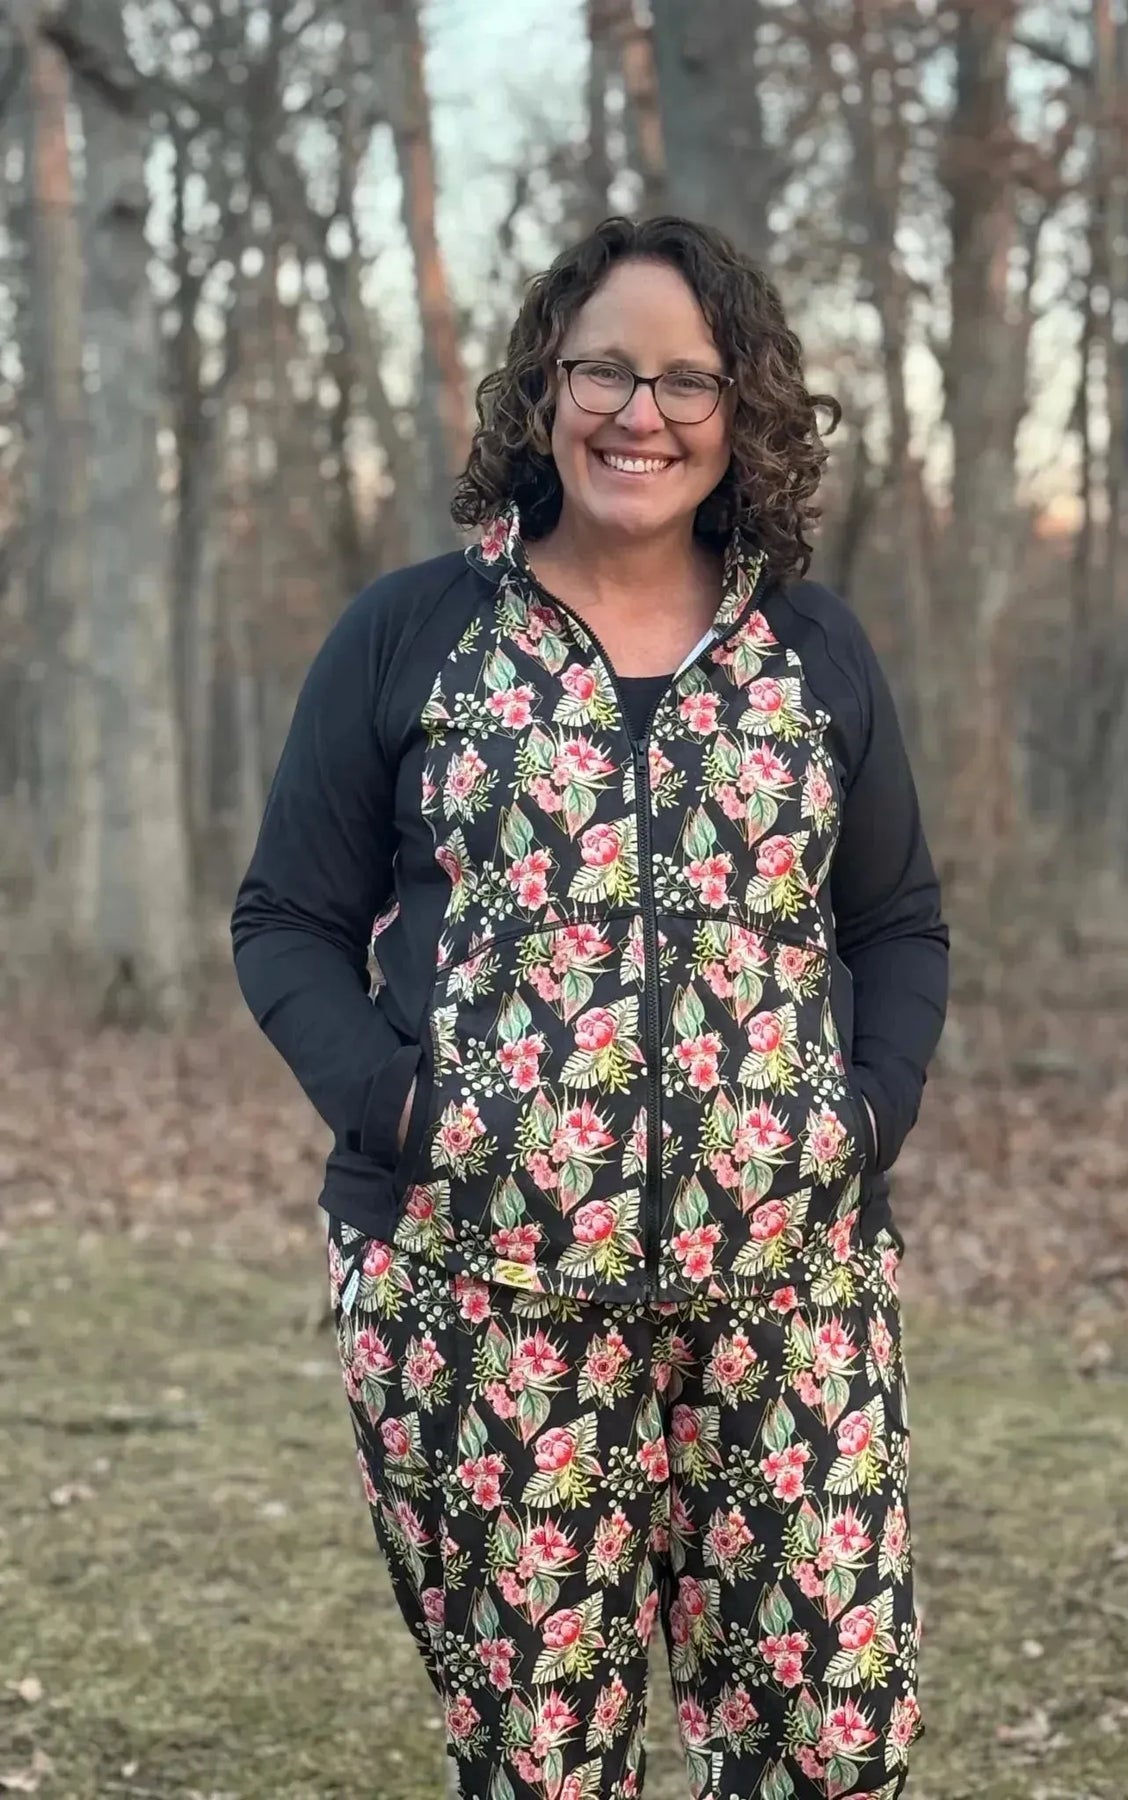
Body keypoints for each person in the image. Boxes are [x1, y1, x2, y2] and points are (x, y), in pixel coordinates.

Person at [232, 214, 948, 1800]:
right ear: (543, 391)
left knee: (835, 1743)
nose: (643, 412)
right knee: (544, 1765)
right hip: (474, 1299)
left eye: (687, 378)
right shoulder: (414, 632)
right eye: (605, 369)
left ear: (742, 408)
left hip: (787, 1293)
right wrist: (407, 1112)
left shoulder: (809, 649)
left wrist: (862, 1117)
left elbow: (897, 923)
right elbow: (284, 920)